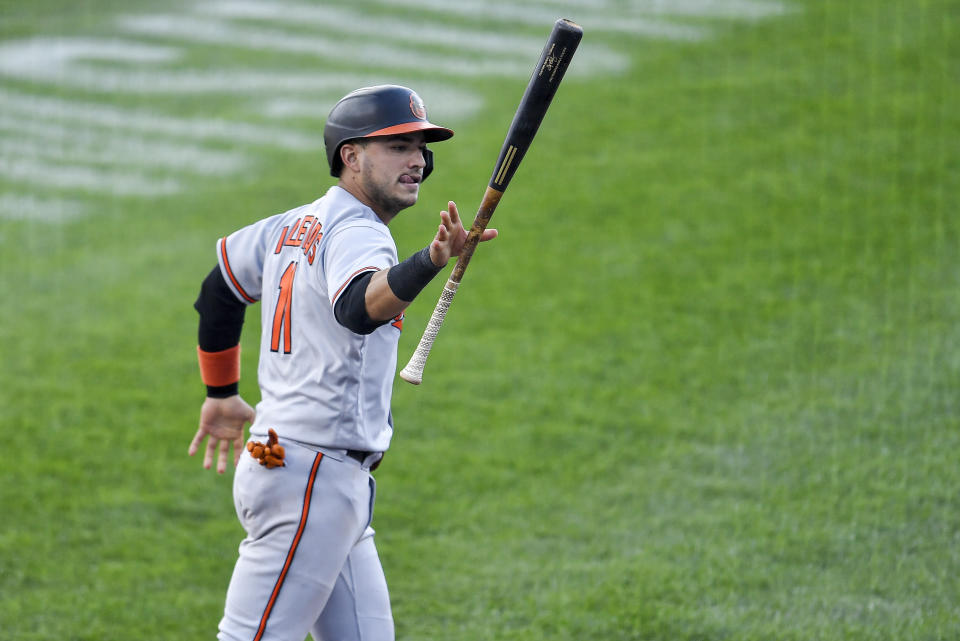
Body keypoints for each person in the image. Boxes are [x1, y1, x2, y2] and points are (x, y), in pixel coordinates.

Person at [187, 84, 497, 641]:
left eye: (421, 148)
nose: (418, 161)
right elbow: (359, 308)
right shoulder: (358, 231)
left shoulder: (292, 224)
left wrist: (221, 393)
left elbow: (219, 289)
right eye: (398, 146)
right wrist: (429, 260)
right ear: (350, 156)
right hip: (310, 482)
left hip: (298, 467)